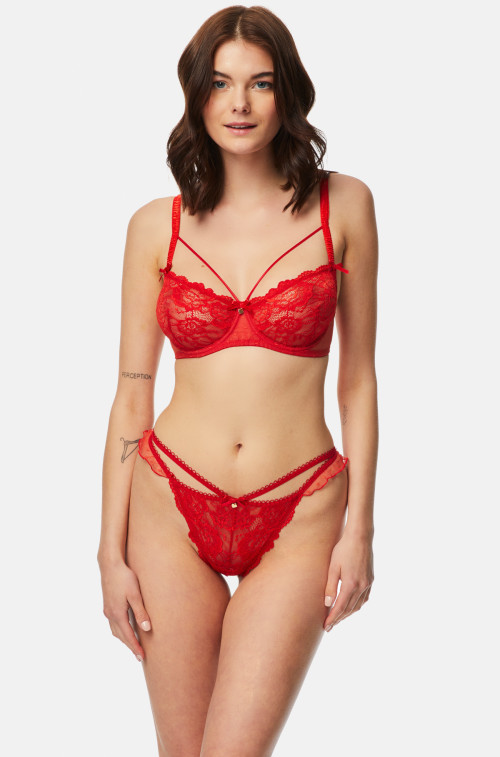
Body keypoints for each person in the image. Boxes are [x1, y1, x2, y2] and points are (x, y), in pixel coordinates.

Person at [97, 5, 378, 756]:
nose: (240, 103)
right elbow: (132, 392)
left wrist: (360, 530)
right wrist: (109, 551)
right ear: (197, 96)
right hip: (170, 504)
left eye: (260, 82)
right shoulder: (155, 226)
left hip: (300, 509)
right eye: (220, 84)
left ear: (287, 92)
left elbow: (358, 382)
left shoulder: (344, 205)